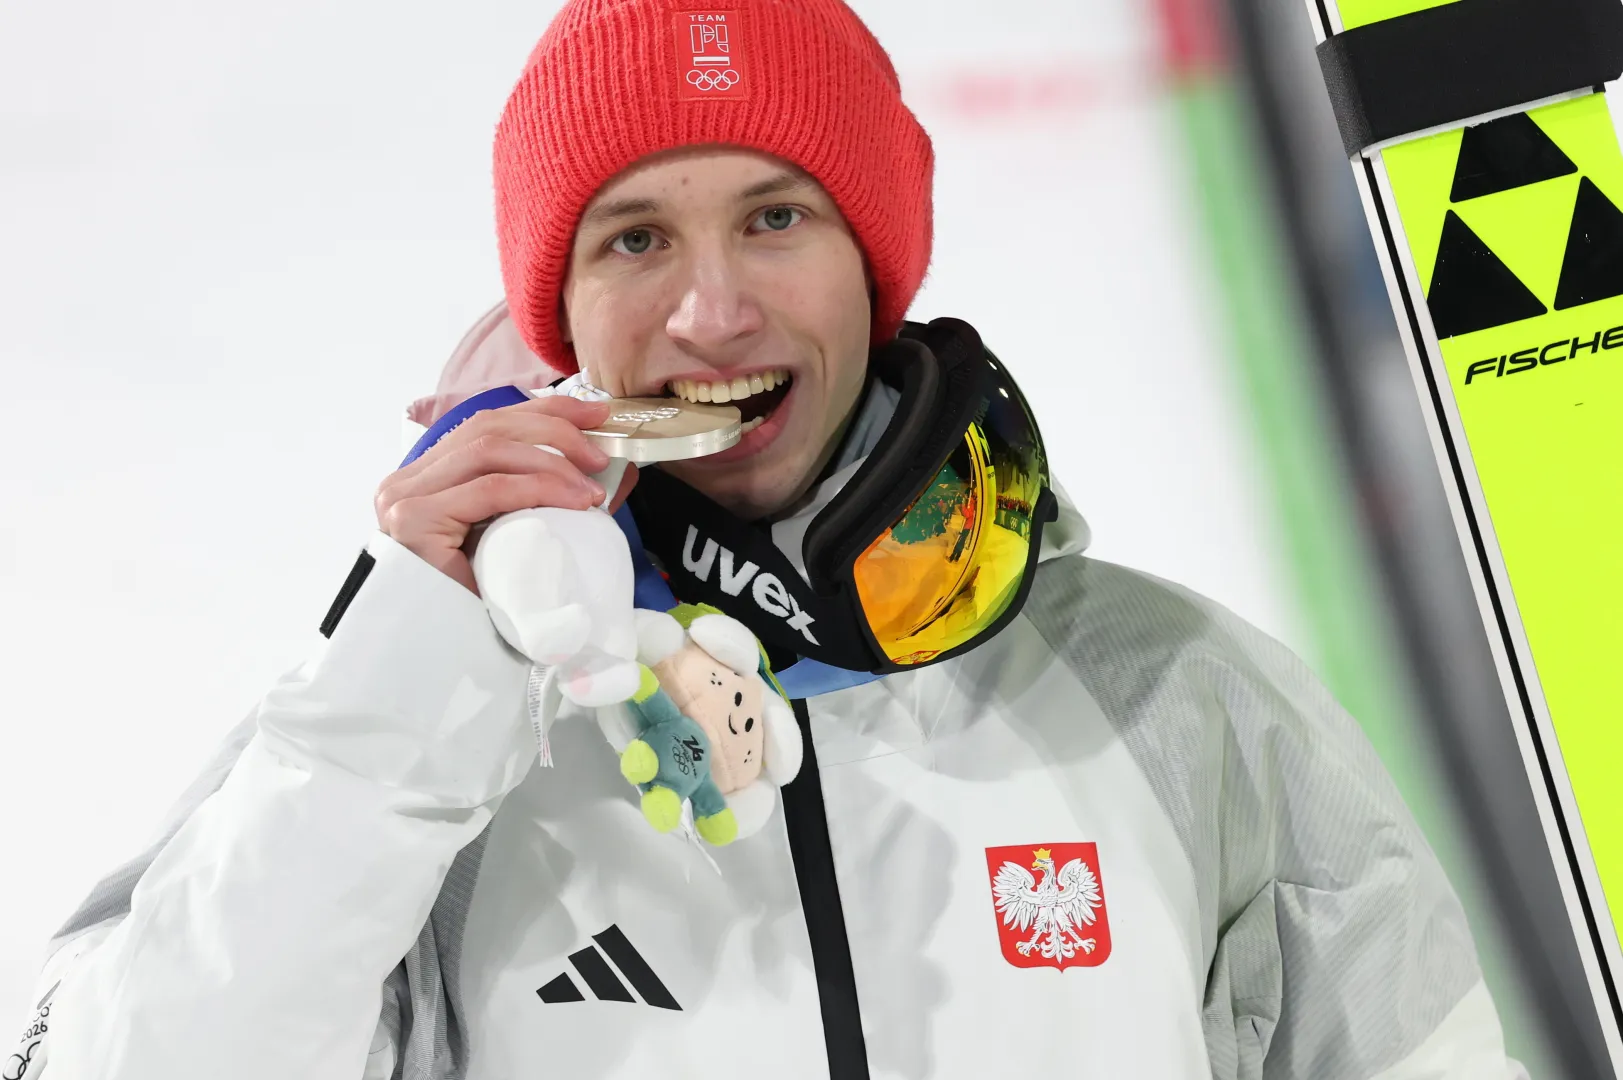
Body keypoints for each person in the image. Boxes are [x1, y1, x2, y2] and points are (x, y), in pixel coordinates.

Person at [11, 1, 1529, 1077]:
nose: (711, 309)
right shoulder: (417, 722)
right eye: (635, 238)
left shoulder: (1176, 696)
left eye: (777, 218)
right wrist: (418, 660)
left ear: (876, 264)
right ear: (556, 320)